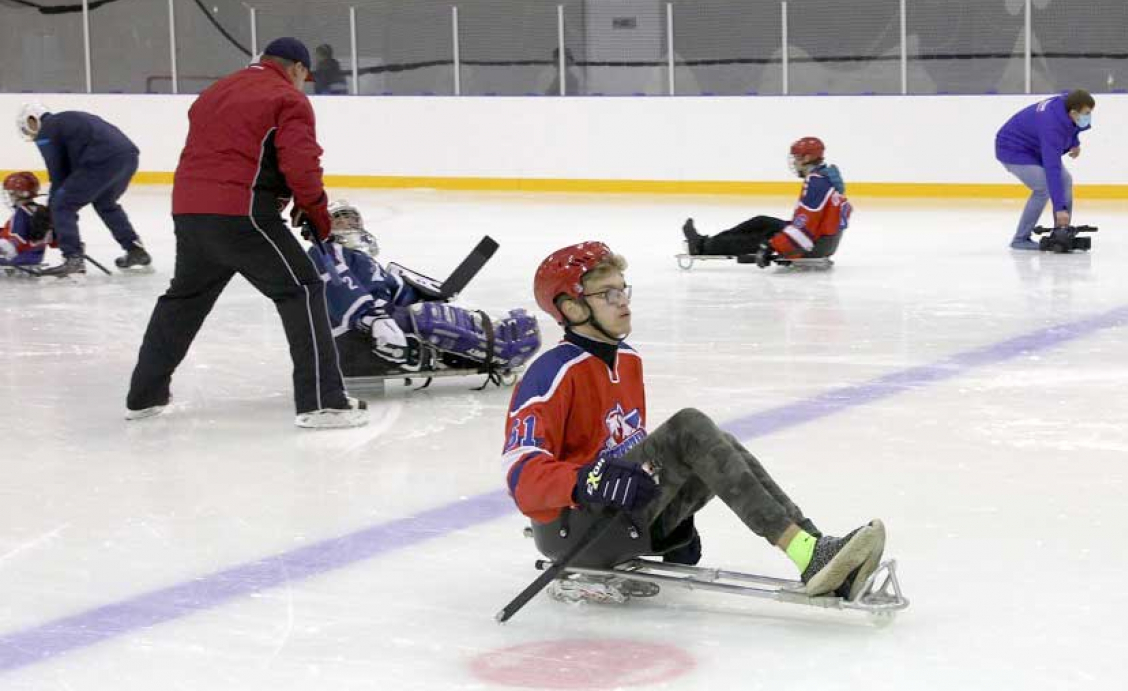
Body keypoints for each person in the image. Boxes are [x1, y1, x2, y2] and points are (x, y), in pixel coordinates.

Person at [501, 241, 886, 605]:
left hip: (618, 516)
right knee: (690, 427)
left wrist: (672, 511)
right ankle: (807, 554)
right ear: (570, 308)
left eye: (623, 290)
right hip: (574, 530)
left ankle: (816, 549)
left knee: (718, 444)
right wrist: (585, 481)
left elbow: (622, 447)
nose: (623, 303)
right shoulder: (550, 373)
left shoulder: (628, 360)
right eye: (608, 294)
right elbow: (522, 476)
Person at [126, 37, 366, 429]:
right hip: (243, 214)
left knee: (184, 299)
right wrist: (317, 212)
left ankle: (143, 397)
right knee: (302, 289)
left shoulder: (214, 92)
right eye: (305, 77)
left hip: (189, 211)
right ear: (297, 69)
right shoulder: (287, 99)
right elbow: (301, 163)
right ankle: (323, 403)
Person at [308, 199, 541, 377]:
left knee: (432, 312)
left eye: (352, 218)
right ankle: (498, 350)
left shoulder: (364, 261)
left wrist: (432, 294)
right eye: (339, 219)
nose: (348, 223)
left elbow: (395, 292)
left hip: (381, 324)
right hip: (357, 338)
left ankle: (485, 342)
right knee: (428, 318)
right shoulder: (325, 253)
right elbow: (339, 290)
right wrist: (372, 320)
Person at [15, 101, 150, 277]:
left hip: (101, 160)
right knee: (105, 203)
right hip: (127, 157)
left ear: (33, 119)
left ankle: (73, 257)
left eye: (29, 128)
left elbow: (58, 174)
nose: (32, 135)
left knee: (62, 204)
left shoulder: (47, 129)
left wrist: (51, 211)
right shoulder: (67, 120)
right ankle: (135, 249)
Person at [682, 137, 851, 267]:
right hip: (823, 243)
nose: (795, 162)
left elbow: (804, 229)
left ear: (808, 158)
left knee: (761, 236)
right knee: (761, 221)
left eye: (797, 158)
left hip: (813, 247)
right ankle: (707, 242)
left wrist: (771, 246)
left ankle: (702, 247)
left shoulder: (816, 182)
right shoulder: (826, 178)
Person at [995, 89, 1094, 250]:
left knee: (1066, 180)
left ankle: (1061, 231)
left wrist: (1074, 143)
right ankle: (1020, 239)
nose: (1089, 117)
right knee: (1043, 187)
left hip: (1036, 146)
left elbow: (1072, 128)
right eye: (1086, 113)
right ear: (1074, 112)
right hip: (1012, 148)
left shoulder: (1068, 106)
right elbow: (1052, 168)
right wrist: (1059, 208)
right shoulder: (1051, 126)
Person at [0, 171, 53, 270]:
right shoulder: (41, 210)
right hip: (36, 257)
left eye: (11, 192)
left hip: (17, 258)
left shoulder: (22, 213)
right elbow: (54, 240)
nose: (9, 196)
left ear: (21, 193)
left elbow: (13, 245)